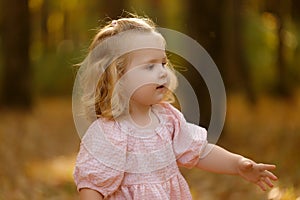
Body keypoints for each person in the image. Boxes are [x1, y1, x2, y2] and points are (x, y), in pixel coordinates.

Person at [73, 15, 277, 200]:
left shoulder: (168, 119)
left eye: (163, 63)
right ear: (117, 76)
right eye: (150, 66)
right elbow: (92, 186)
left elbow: (200, 151)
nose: (162, 72)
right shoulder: (108, 133)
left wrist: (238, 165)